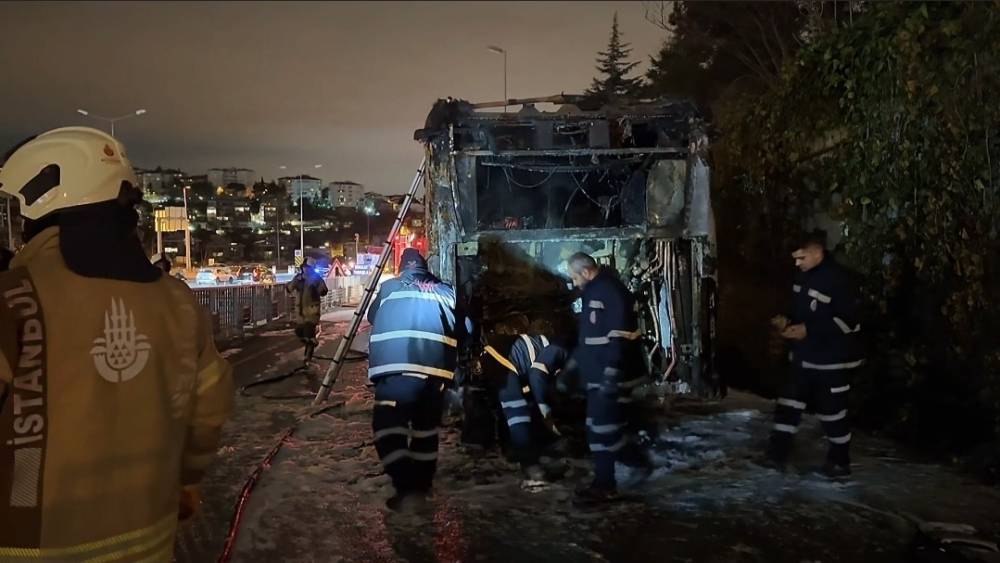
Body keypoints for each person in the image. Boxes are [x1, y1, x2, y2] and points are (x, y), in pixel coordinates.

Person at [0, 127, 233, 560]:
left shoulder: (14, 298)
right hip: (148, 539)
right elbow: (209, 409)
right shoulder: (178, 302)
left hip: (30, 547)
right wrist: (185, 481)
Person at [366, 247, 470, 509]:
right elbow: (466, 328)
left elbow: (372, 316)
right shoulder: (447, 291)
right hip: (435, 377)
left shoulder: (389, 288)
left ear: (402, 268)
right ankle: (422, 488)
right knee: (425, 431)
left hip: (396, 373)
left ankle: (407, 487)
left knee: (388, 429)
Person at [767, 233, 864, 478]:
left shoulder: (841, 280)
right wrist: (786, 321)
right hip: (803, 357)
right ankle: (776, 456)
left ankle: (840, 461)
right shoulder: (803, 276)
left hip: (832, 361)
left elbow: (850, 322)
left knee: (833, 413)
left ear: (817, 252)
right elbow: (798, 307)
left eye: (801, 258)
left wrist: (808, 330)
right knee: (788, 405)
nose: (797, 263)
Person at [567, 251, 649, 503]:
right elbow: (590, 338)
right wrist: (573, 368)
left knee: (602, 429)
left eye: (574, 277)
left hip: (606, 375)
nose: (574, 282)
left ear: (585, 271)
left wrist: (611, 373)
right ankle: (624, 468)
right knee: (598, 429)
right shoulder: (595, 291)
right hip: (597, 375)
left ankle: (608, 481)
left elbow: (619, 335)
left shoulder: (609, 291)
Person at [482, 332, 570, 482]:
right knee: (517, 413)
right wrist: (544, 409)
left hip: (514, 361)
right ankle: (530, 465)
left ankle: (518, 452)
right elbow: (536, 375)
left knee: (527, 409)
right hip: (502, 358)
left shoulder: (562, 352)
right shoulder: (562, 353)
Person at [286, 258, 328, 363]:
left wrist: (317, 288)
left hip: (312, 311)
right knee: (300, 332)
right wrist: (289, 285)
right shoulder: (298, 278)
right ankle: (309, 351)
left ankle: (307, 358)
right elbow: (289, 288)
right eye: (304, 267)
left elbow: (323, 291)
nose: (305, 269)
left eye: (307, 267)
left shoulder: (316, 279)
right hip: (300, 312)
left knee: (309, 334)